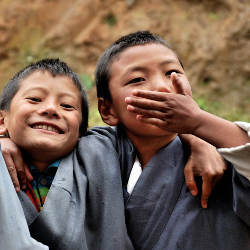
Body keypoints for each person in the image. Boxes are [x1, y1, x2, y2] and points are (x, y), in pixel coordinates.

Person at [94, 30, 250, 250]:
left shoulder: (228, 156)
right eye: (137, 79)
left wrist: (198, 124)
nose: (162, 86)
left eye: (172, 73)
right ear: (107, 110)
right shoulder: (97, 152)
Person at [0, 58, 133, 250]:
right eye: (35, 99)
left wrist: (193, 137)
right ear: (2, 120)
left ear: (82, 131)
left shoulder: (102, 151)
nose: (51, 109)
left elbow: (153, 133)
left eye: (67, 106)